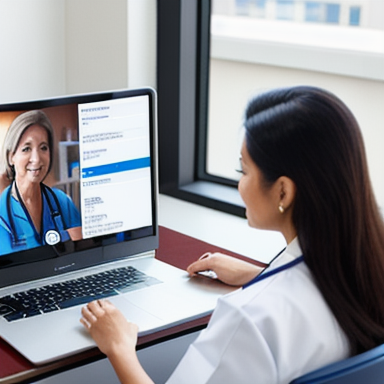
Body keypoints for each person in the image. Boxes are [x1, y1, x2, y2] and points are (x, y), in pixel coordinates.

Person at [80, 86, 384, 384]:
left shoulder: (248, 318)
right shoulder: (367, 268)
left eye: (244, 170)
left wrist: (119, 347)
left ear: (283, 191)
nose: (239, 183)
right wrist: (260, 275)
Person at [0, 110, 82, 256]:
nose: (36, 159)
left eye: (43, 147)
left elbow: (83, 253)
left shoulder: (62, 202)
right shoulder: (3, 216)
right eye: (26, 149)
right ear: (11, 156)